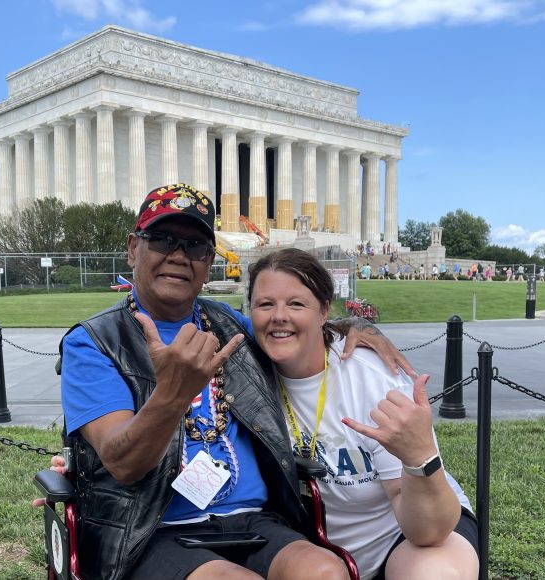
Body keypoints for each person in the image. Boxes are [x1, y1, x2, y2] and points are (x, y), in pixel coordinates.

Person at [58, 184, 410, 580]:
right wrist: (173, 394)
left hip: (253, 519)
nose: (178, 255)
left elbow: (286, 328)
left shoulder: (230, 326)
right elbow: (123, 464)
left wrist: (354, 326)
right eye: (162, 239)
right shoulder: (93, 343)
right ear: (133, 248)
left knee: (326, 572)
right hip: (150, 531)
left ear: (209, 261)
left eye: (195, 246)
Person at [247, 249, 479, 579]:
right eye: (265, 304)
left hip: (406, 534)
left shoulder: (372, 377)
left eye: (297, 304)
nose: (278, 316)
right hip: (311, 551)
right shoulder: (245, 368)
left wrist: (419, 456)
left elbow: (427, 531)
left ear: (324, 310)